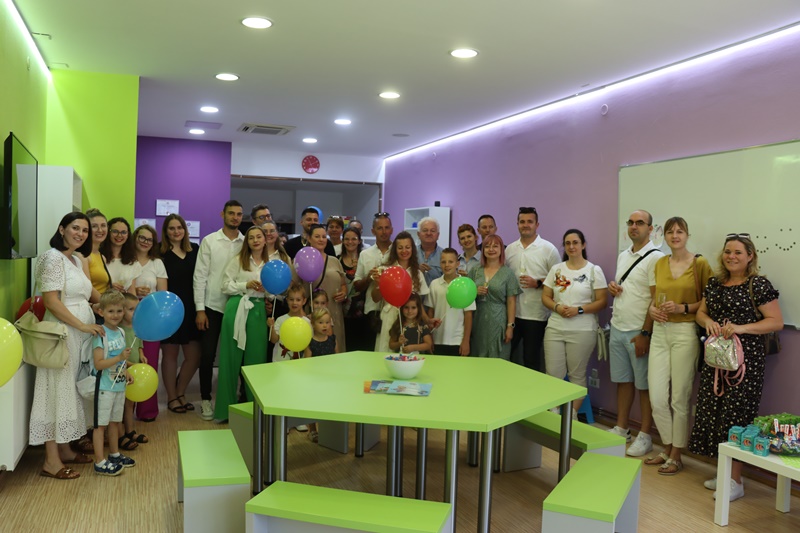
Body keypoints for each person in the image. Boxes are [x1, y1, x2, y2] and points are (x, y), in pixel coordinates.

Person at [689, 234, 782, 501]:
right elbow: (701, 313)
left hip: (745, 364)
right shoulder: (715, 284)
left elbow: (775, 321)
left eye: (738, 252)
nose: (731, 256)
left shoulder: (758, 285)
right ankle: (724, 474)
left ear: (750, 256)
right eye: (728, 251)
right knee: (714, 413)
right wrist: (708, 322)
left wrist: (741, 328)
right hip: (716, 360)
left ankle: (735, 481)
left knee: (737, 417)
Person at [30, 212, 105, 480]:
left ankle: (65, 449)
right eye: (75, 228)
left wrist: (114, 304)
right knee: (56, 392)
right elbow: (51, 301)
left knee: (71, 391)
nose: (81, 234)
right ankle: (51, 461)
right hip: (63, 333)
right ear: (62, 229)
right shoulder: (51, 258)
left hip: (80, 335)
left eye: (85, 230)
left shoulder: (76, 259)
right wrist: (82, 325)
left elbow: (90, 295)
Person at [643, 217, 714, 474]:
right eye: (670, 231)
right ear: (664, 236)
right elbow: (654, 299)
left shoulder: (700, 263)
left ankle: (676, 454)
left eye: (680, 231)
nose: (675, 235)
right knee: (657, 397)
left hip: (685, 331)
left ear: (687, 235)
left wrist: (682, 308)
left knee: (679, 398)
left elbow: (709, 300)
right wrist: (652, 310)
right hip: (660, 332)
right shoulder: (660, 262)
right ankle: (667, 446)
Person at [606, 210, 664, 455]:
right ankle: (622, 428)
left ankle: (645, 435)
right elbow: (628, 287)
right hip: (618, 326)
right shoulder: (624, 255)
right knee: (623, 382)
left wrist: (645, 333)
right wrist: (613, 288)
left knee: (644, 386)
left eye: (640, 223)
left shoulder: (656, 258)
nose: (633, 226)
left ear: (650, 229)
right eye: (630, 222)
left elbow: (655, 299)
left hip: (638, 331)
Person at [541, 229, 608, 414]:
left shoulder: (593, 270)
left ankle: (570, 416)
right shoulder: (556, 269)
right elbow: (545, 296)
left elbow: (602, 301)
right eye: (568, 243)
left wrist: (578, 310)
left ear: (583, 245)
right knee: (552, 374)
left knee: (576, 375)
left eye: (575, 242)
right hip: (555, 328)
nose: (571, 246)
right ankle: (554, 413)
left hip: (582, 329)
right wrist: (556, 307)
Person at [194, 200, 244, 420]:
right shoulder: (210, 241)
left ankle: (239, 399)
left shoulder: (247, 242)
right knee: (207, 355)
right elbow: (200, 276)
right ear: (223, 214)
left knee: (237, 357)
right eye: (231, 213)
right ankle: (206, 399)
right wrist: (200, 309)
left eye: (239, 214)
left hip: (238, 306)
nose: (235, 217)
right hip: (212, 307)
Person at [213, 226, 270, 422]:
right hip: (236, 308)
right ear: (247, 241)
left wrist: (266, 290)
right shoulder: (238, 260)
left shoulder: (271, 264)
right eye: (251, 237)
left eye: (259, 237)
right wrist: (245, 285)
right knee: (230, 360)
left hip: (258, 310)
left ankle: (255, 413)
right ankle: (225, 411)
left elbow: (278, 293)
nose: (255, 240)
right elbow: (225, 286)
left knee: (256, 362)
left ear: (265, 240)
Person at [506, 207, 560, 371]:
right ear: (517, 224)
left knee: (531, 360)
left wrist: (537, 283)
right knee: (507, 357)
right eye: (522, 222)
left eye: (530, 222)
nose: (526, 225)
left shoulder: (548, 249)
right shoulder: (510, 249)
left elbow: (559, 281)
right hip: (512, 315)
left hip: (537, 315)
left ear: (537, 224)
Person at [90, 290, 137, 476]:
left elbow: (120, 363)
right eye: (111, 311)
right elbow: (99, 364)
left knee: (115, 422)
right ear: (101, 312)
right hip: (104, 387)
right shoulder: (100, 334)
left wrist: (126, 371)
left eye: (119, 311)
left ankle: (114, 454)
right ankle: (99, 461)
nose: (115, 315)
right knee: (100, 425)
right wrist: (119, 357)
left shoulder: (121, 332)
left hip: (118, 386)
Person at [159, 214, 201, 414]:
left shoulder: (195, 250)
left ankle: (180, 391)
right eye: (172, 228)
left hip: (192, 309)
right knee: (170, 356)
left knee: (194, 356)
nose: (176, 231)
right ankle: (171, 397)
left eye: (179, 227)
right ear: (165, 231)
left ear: (185, 230)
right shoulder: (160, 253)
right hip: (169, 311)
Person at [131, 224, 167, 421]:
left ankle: (147, 410)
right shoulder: (126, 260)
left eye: (149, 239)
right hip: (126, 316)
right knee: (127, 360)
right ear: (135, 238)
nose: (145, 242)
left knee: (149, 363)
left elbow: (163, 294)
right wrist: (133, 292)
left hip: (151, 319)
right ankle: (124, 413)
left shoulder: (157, 263)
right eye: (142, 238)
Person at [373, 231, 430, 352]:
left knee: (406, 351)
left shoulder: (417, 273)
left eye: (407, 247)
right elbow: (375, 298)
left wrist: (428, 321)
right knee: (386, 350)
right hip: (390, 316)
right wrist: (379, 284)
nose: (404, 251)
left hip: (410, 319)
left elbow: (418, 303)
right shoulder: (385, 270)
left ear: (412, 249)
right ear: (395, 250)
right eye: (400, 248)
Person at [468, 234, 521, 359]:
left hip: (499, 321)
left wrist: (510, 326)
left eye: (495, 246)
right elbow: (465, 296)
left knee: (498, 357)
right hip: (478, 320)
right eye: (487, 246)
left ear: (501, 249)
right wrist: (474, 292)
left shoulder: (508, 273)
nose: (491, 249)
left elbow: (511, 302)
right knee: (477, 357)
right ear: (483, 250)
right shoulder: (475, 270)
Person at [303, 224, 348, 350]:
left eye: (324, 236)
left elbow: (343, 284)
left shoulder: (334, 261)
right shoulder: (301, 260)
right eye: (317, 236)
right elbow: (295, 287)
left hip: (334, 312)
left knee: (335, 348)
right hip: (313, 314)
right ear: (309, 238)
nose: (321, 240)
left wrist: (344, 293)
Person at [353, 213, 393, 349]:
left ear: (392, 230)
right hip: (372, 311)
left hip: (394, 309)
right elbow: (357, 286)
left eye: (387, 227)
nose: (384, 232)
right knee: (371, 350)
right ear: (373, 231)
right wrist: (369, 278)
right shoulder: (365, 254)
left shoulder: (398, 252)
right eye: (379, 228)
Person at [427, 248, 475, 356]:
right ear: (440, 264)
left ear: (457, 264)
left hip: (457, 340)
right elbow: (431, 311)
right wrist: (430, 336)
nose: (447, 265)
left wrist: (466, 340)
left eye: (450, 262)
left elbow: (468, 315)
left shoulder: (465, 285)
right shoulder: (434, 284)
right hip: (437, 339)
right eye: (443, 262)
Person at [303, 306, 340, 442]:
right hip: (315, 379)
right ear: (313, 324)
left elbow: (338, 358)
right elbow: (307, 363)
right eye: (321, 322)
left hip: (330, 378)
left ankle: (329, 429)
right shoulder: (310, 343)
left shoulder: (333, 340)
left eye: (327, 322)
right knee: (313, 404)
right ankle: (312, 429)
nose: (325, 325)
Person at [119, 292, 147, 450]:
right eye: (131, 309)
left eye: (136, 309)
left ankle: (130, 431)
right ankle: (120, 434)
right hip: (123, 371)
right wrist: (129, 364)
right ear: (122, 311)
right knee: (119, 404)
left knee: (130, 404)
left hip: (134, 371)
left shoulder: (136, 328)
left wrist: (141, 355)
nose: (135, 313)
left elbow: (139, 345)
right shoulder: (119, 330)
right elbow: (117, 354)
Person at [340, 227, 370, 350]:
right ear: (343, 241)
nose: (350, 242)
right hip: (343, 311)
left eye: (354, 239)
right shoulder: (337, 260)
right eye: (347, 239)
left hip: (363, 310)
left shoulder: (365, 259)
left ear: (359, 241)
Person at [269, 282, 310, 362]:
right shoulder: (280, 320)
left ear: (304, 301)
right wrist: (272, 326)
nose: (294, 303)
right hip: (280, 362)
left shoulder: (307, 322)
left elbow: (308, 345)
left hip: (299, 363)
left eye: (298, 300)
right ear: (287, 300)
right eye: (291, 299)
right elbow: (274, 340)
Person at [102, 217, 140, 294]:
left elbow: (131, 291)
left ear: (128, 235)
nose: (119, 235)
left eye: (123, 232)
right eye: (115, 231)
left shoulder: (132, 262)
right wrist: (107, 287)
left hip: (123, 301)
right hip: (100, 299)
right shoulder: (99, 257)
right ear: (108, 232)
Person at [84, 208, 112, 299]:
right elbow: (88, 288)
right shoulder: (83, 256)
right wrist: (105, 305)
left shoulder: (102, 257)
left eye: (103, 225)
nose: (100, 230)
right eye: (94, 226)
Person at [416, 217, 443, 285]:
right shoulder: (411, 253)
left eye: (432, 231)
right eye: (425, 230)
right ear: (418, 234)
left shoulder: (444, 255)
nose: (428, 233)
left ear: (438, 235)